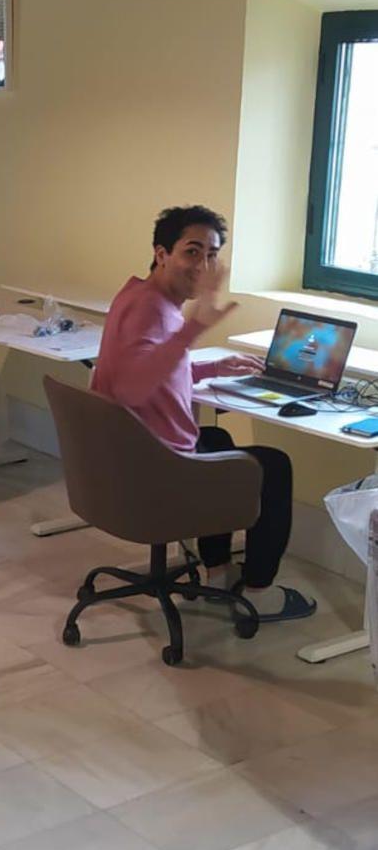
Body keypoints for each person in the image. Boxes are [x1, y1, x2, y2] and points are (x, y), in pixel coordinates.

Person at [91, 204, 316, 624]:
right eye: (192, 252)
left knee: (219, 441)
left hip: (127, 456)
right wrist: (195, 328)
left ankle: (216, 574)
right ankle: (261, 595)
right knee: (274, 466)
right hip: (158, 470)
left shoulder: (137, 294)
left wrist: (210, 366)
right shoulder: (153, 309)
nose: (204, 265)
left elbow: (146, 366)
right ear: (162, 253)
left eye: (212, 254)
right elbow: (132, 386)